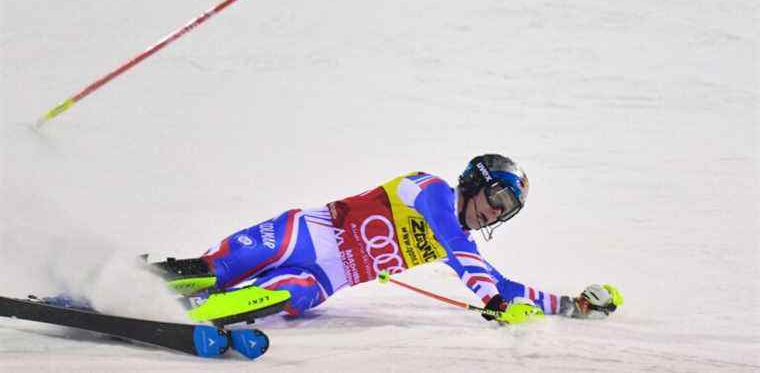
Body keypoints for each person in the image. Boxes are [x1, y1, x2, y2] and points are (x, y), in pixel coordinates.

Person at [158, 154, 622, 323]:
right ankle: (137, 283)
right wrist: (490, 299)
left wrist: (570, 305)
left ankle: (193, 317)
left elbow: (501, 285)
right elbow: (462, 255)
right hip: (299, 237)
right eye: (496, 198)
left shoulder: (460, 243)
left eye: (506, 212)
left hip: (321, 279)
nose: (493, 214)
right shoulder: (429, 189)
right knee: (213, 271)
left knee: (287, 295)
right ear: (475, 182)